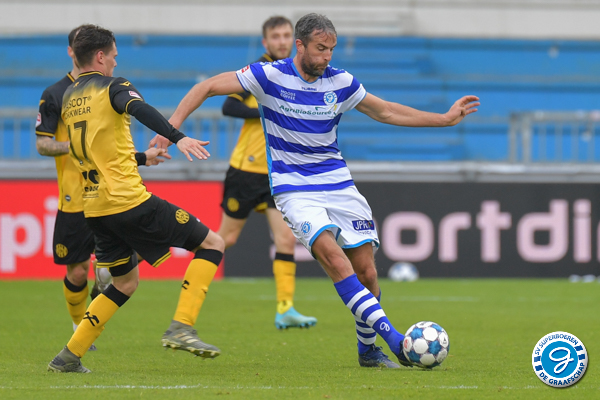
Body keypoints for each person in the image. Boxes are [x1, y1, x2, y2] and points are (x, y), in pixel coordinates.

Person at [152, 13, 478, 369]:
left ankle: (368, 351)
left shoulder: (341, 81)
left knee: (367, 273)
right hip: (294, 188)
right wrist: (172, 131)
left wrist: (444, 119)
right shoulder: (269, 75)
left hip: (338, 183)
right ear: (300, 45)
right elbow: (206, 87)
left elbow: (385, 111)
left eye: (331, 50)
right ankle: (397, 342)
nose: (326, 57)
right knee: (334, 260)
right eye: (320, 49)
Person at [47, 24, 224, 373]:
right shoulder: (113, 85)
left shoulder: (69, 97)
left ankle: (68, 356)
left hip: (94, 207)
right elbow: (140, 109)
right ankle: (182, 327)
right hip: (128, 201)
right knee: (212, 244)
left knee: (125, 283)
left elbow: (100, 150)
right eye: (113, 55)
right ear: (100, 56)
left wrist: (143, 157)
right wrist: (178, 137)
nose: (116, 61)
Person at [35, 24, 169, 349]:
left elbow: (109, 148)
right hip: (74, 196)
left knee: (142, 247)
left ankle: (105, 277)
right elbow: (42, 144)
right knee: (77, 272)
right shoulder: (55, 93)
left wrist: (141, 157)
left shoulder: (106, 89)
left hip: (110, 193)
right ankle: (77, 326)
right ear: (72, 51)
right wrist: (73, 147)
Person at [220, 16, 316, 330]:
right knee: (225, 239)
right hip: (246, 170)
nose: (282, 41)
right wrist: (264, 111)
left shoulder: (297, 73)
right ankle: (157, 254)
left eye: (286, 35)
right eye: (276, 36)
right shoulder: (256, 72)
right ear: (265, 42)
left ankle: (285, 308)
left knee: (286, 239)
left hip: (279, 173)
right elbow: (228, 107)